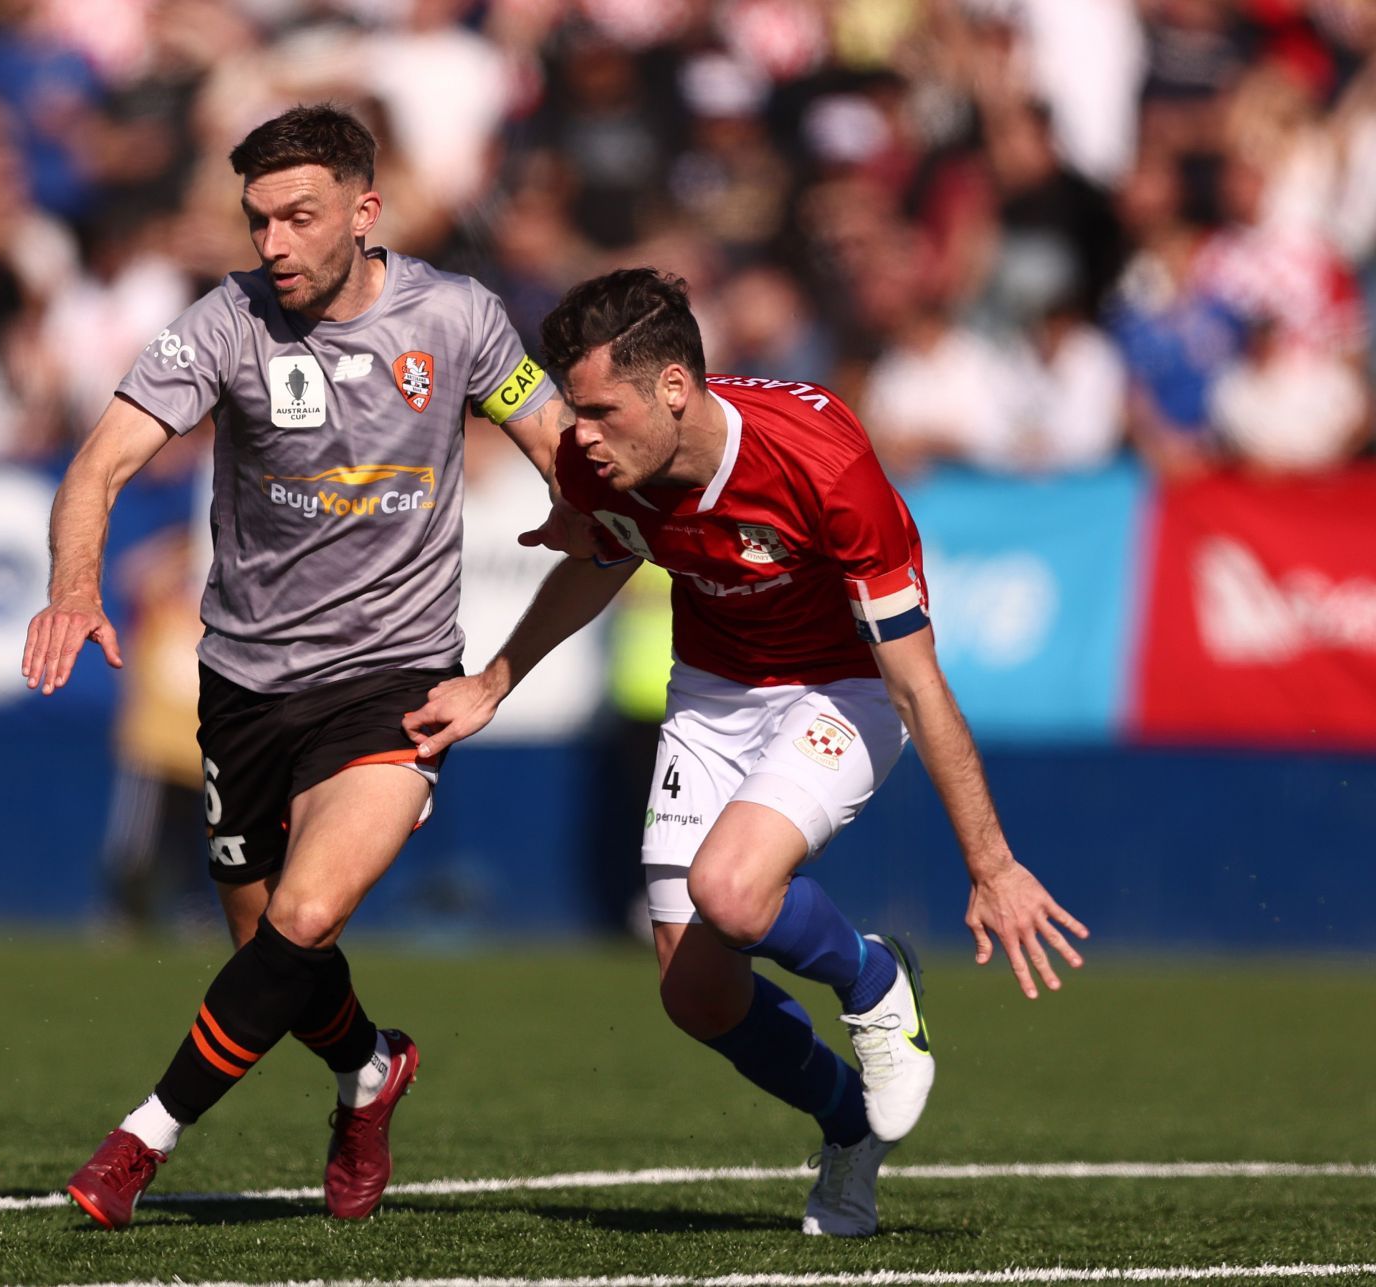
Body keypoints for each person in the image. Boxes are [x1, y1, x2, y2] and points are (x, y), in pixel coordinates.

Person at [402, 269, 1088, 1237]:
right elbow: (601, 558)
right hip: (711, 695)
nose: (578, 433)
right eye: (574, 409)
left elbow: (916, 682)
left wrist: (992, 863)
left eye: (598, 408)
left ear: (674, 387)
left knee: (733, 891)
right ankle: (849, 1129)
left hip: (841, 691)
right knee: (697, 995)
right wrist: (492, 681)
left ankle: (873, 978)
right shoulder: (603, 457)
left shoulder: (824, 464)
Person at [20, 104, 564, 1228]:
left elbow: (560, 438)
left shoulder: (458, 319)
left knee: (305, 917)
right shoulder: (222, 325)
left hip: (396, 678)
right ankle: (371, 1070)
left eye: (298, 217)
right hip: (248, 688)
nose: (272, 243)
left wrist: (625, 508)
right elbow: (100, 463)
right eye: (257, 217)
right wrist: (75, 583)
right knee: (268, 946)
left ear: (366, 215)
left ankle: (137, 1144)